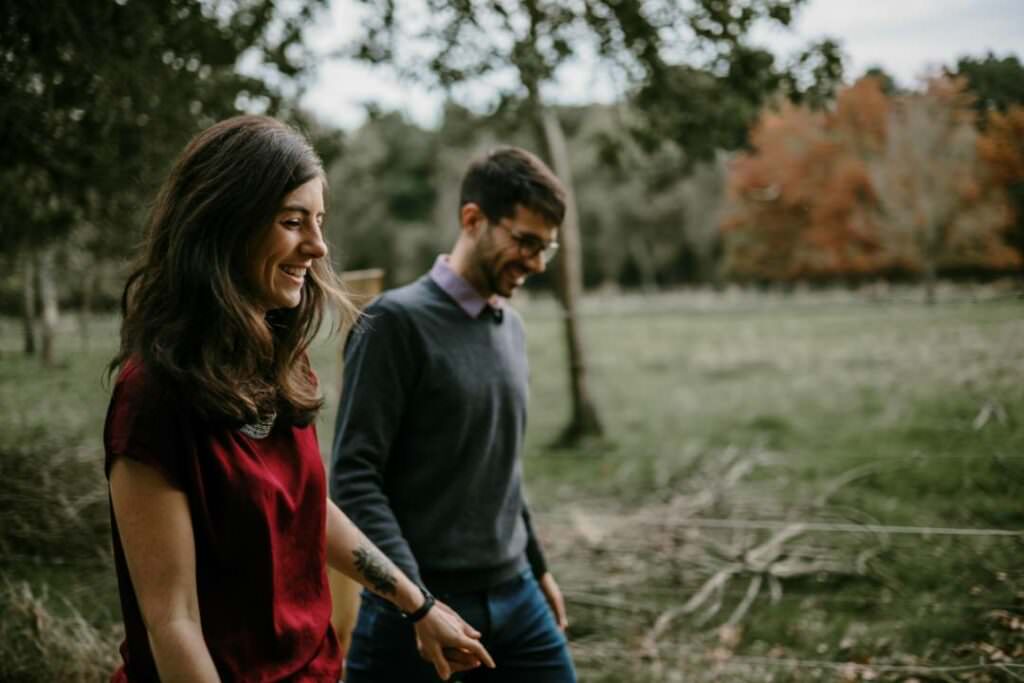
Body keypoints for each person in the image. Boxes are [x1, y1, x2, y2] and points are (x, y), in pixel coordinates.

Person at [103, 115, 494, 682]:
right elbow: (174, 623)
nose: (318, 245)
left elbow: (307, 506)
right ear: (224, 226)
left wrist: (420, 605)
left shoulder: (280, 363)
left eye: (319, 221)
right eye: (292, 222)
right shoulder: (151, 399)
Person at [330, 146, 577, 682]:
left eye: (546, 250)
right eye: (526, 242)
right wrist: (418, 605)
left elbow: (502, 468)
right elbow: (354, 478)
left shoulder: (510, 328)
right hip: (413, 607)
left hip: (517, 596)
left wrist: (539, 569)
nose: (535, 263)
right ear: (473, 219)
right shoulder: (393, 323)